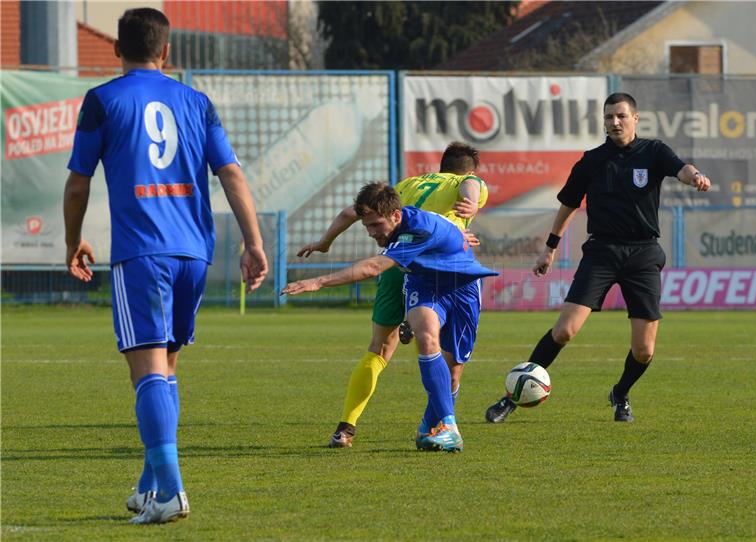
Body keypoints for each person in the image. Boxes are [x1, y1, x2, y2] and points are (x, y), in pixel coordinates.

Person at [63, 8, 268, 524]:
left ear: (116, 49)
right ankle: (150, 484)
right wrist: (254, 243)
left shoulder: (103, 99)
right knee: (167, 368)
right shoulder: (196, 102)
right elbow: (232, 176)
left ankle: (172, 492)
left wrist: (73, 241)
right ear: (167, 51)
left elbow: (78, 182)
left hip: (141, 253)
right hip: (193, 253)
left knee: (147, 372)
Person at [484, 92, 711, 424]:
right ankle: (512, 398)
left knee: (644, 351)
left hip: (643, 254)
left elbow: (681, 168)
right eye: (609, 117)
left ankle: (620, 394)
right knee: (564, 331)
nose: (614, 122)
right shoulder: (592, 160)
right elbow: (568, 206)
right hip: (602, 252)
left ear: (635, 118)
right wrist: (550, 247)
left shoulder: (654, 151)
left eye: (621, 116)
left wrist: (695, 177)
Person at [296, 142, 488, 448]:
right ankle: (444, 423)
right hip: (430, 265)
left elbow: (351, 212)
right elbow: (470, 187)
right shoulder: (465, 180)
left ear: (441, 165)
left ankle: (347, 427)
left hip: (398, 267)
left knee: (379, 349)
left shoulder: (407, 185)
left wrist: (324, 243)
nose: (370, 230)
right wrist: (471, 207)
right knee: (447, 362)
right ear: (469, 168)